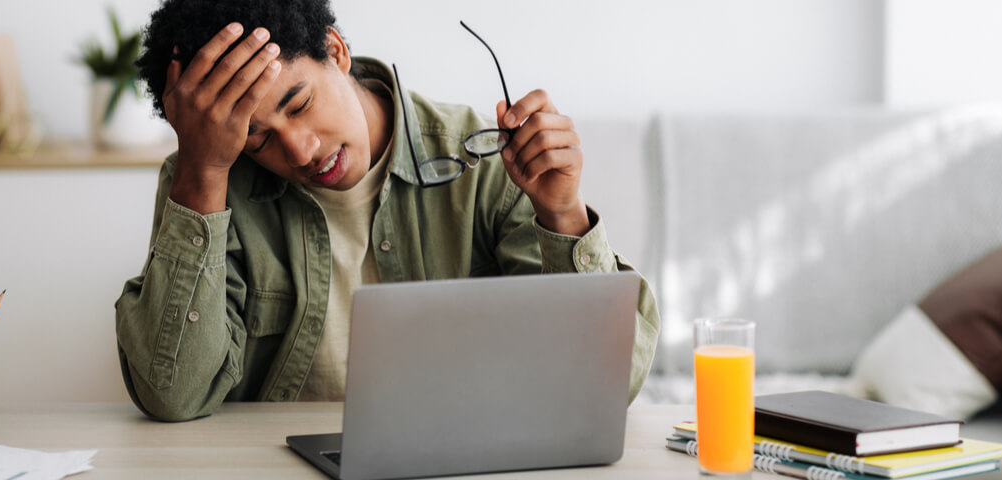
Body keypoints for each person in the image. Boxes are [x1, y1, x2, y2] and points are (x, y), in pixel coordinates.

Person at [115, 0, 660, 422]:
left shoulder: (490, 163)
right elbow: (174, 396)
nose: (301, 150)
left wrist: (563, 215)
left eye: (299, 103)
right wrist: (203, 174)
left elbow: (604, 386)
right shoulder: (207, 180)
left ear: (336, 51)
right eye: (258, 139)